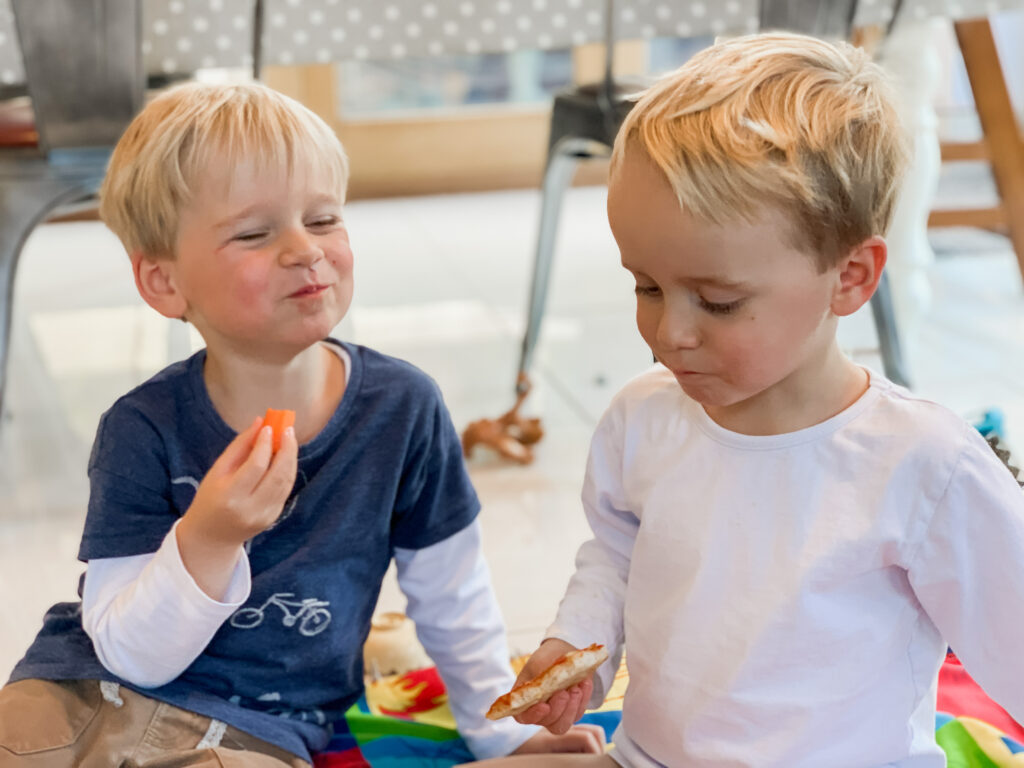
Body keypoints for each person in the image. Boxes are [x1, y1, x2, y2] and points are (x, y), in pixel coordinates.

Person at [0, 82, 604, 767]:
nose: (304, 250)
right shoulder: (141, 426)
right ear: (165, 282)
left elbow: (452, 593)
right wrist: (208, 539)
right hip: (80, 691)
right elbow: (128, 651)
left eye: (323, 220)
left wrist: (500, 729)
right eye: (256, 233)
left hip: (254, 735)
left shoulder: (401, 409)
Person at [477, 32, 1024, 768]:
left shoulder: (924, 464)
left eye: (719, 302)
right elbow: (614, 552)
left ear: (851, 278)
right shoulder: (643, 419)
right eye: (646, 286)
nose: (670, 332)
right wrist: (577, 645)